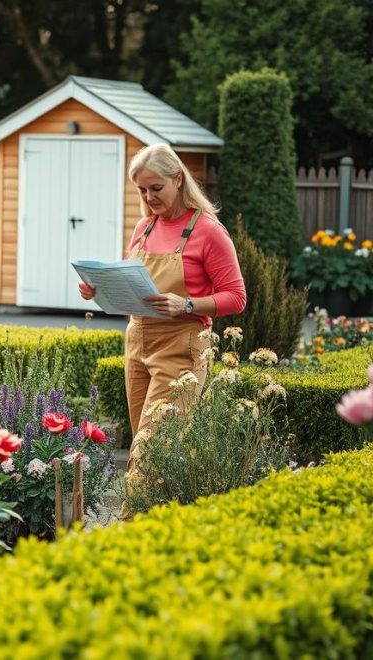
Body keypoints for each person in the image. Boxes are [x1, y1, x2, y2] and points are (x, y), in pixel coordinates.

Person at [79, 144, 246, 482]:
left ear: (178, 179)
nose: (149, 196)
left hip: (181, 346)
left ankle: (132, 527)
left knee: (152, 448)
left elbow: (237, 297)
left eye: (156, 188)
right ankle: (164, 521)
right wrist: (97, 289)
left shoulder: (209, 231)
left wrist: (185, 304)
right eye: (142, 189)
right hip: (138, 343)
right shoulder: (145, 227)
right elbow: (132, 280)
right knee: (152, 444)